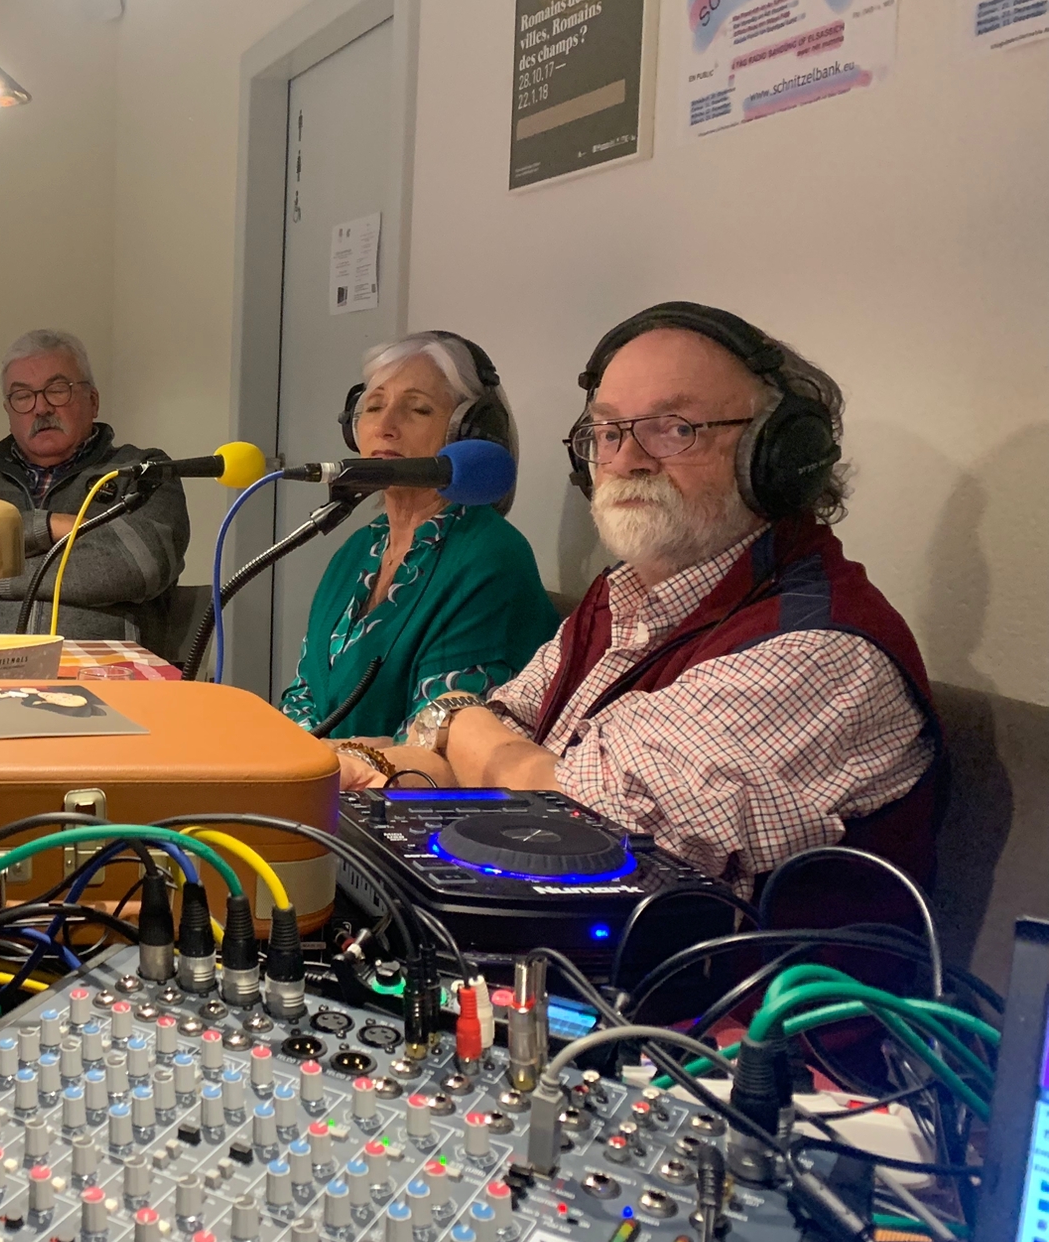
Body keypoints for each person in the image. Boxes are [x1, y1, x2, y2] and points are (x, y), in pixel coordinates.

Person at [362, 303, 941, 899]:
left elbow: (579, 828)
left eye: (674, 428)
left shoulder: (820, 654)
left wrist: (457, 722)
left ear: (777, 458)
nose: (627, 460)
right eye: (609, 431)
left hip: (678, 958)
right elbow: (498, 740)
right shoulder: (624, 595)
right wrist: (375, 766)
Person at [279, 333, 557, 774]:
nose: (385, 426)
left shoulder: (491, 558)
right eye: (374, 406)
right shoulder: (358, 548)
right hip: (322, 785)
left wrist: (322, 762)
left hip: (406, 801)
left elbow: (440, 738)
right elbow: (303, 694)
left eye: (418, 409)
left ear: (467, 433)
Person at [0, 329, 188, 640]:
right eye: (23, 396)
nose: (41, 408)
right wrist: (52, 525)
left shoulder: (143, 470)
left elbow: (140, 564)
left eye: (57, 390)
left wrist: (0, 577)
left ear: (93, 401)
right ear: (8, 411)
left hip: (102, 663)